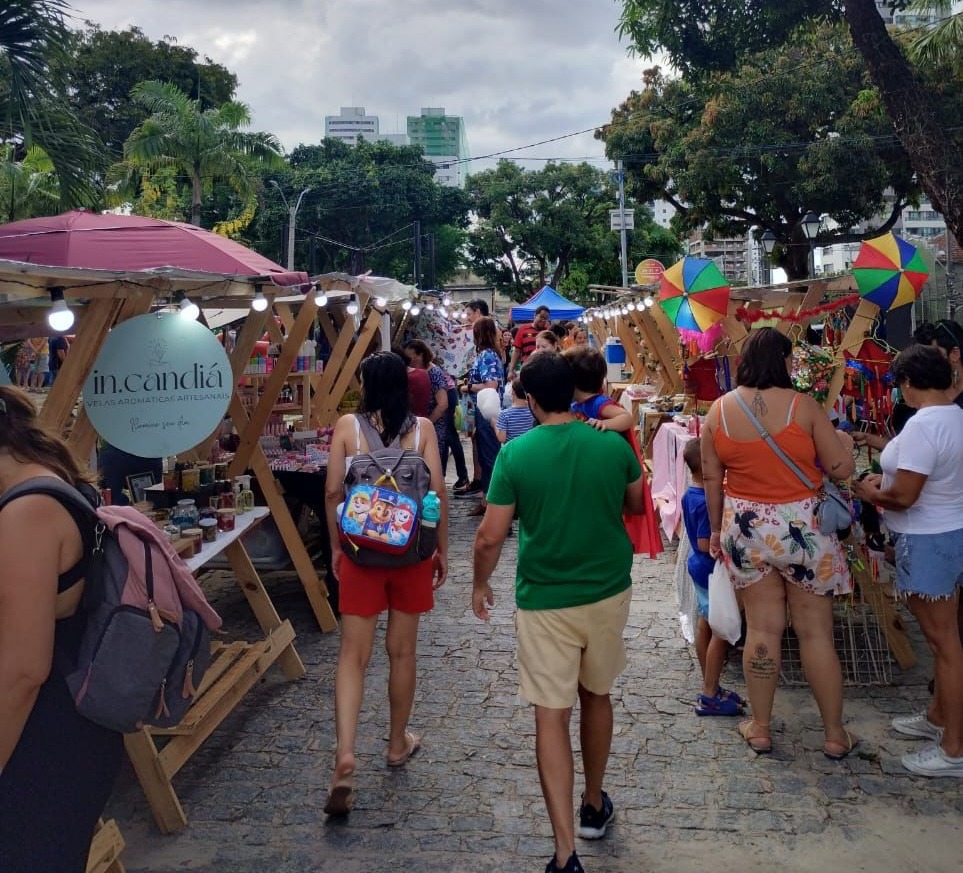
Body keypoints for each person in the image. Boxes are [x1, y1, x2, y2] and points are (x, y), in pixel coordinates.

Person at [471, 352, 644, 873]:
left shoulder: (515, 455)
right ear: (574, 392)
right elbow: (637, 504)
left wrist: (480, 582)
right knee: (597, 694)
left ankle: (566, 852)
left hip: (545, 598)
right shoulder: (610, 445)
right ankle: (593, 803)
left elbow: (490, 536)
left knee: (551, 715)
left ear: (528, 399)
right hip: (607, 590)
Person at [701, 327, 856, 757]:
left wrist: (714, 530)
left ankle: (761, 727)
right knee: (815, 633)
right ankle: (834, 735)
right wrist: (842, 445)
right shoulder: (804, 407)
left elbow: (712, 477)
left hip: (746, 530)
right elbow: (840, 468)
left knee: (762, 628)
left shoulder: (719, 411)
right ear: (785, 361)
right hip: (803, 527)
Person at [0, 385, 123, 871]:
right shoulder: (45, 480)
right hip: (68, 727)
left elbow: (24, 671)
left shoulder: (27, 511)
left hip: (42, 740)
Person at [323, 352, 448, 815]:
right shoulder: (423, 430)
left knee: (352, 657)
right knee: (402, 652)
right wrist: (440, 550)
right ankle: (397, 742)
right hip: (411, 554)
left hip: (360, 554)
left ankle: (345, 755)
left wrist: (336, 548)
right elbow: (436, 494)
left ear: (365, 385)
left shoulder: (347, 428)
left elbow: (332, 492)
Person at [852, 345, 963, 778]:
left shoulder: (923, 426)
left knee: (944, 643)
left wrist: (871, 492)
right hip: (947, 532)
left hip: (927, 537)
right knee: (946, 639)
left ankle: (953, 749)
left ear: (910, 383)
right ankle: (938, 717)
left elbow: (904, 496)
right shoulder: (953, 417)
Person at [681, 438, 744, 717]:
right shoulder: (707, 502)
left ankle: (711, 683)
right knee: (719, 630)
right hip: (710, 569)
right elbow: (707, 543)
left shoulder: (689, 494)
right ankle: (709, 693)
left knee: (705, 624)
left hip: (698, 566)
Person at [460, 317, 504, 517]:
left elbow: (491, 384)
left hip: (486, 409)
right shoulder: (490, 354)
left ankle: (495, 504)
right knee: (487, 457)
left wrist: (467, 387)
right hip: (484, 408)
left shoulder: (487, 355)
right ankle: (487, 500)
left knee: (489, 457)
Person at [404, 339, 450, 463]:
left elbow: (443, 404)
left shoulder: (434, 373)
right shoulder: (420, 373)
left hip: (434, 427)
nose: (411, 362)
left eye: (413, 358)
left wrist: (427, 422)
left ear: (421, 355)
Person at [509, 305, 551, 374]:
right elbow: (517, 351)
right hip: (527, 369)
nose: (543, 320)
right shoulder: (523, 329)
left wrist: (548, 330)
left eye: (546, 318)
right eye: (541, 317)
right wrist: (511, 371)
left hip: (544, 370)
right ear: (535, 315)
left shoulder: (547, 331)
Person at [496, 377, 536, 444]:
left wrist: (494, 424)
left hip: (512, 448)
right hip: (528, 446)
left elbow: (501, 439)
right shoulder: (533, 411)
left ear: (513, 392)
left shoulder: (504, 414)